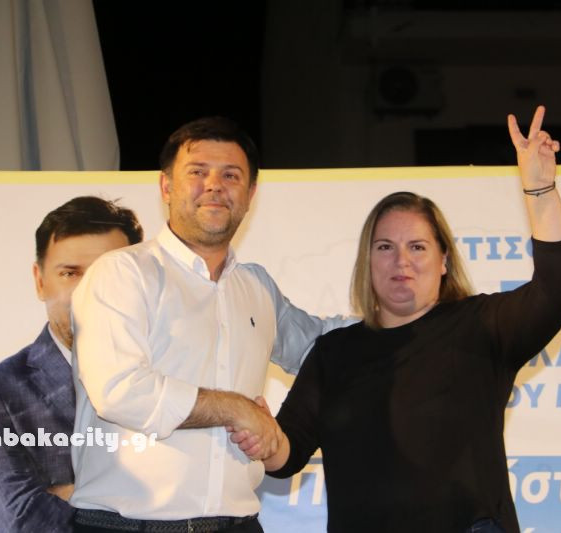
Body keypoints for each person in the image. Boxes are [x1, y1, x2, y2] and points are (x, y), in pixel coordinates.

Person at [235, 106, 561, 532]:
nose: (401, 260)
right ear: (367, 261)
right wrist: (266, 438)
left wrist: (540, 188)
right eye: (385, 247)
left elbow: (560, 287)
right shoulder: (334, 352)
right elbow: (287, 455)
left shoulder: (482, 326)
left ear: (444, 260)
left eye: (417, 247)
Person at [68, 117, 350, 532]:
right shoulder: (123, 273)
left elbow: (322, 345)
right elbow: (120, 391)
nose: (214, 186)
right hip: (127, 525)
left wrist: (411, 318)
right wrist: (236, 409)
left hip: (239, 523)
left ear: (250, 194)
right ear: (166, 186)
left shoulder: (256, 286)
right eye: (198, 172)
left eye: (231, 175)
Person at [0, 196, 144, 533]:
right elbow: (22, 522)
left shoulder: (179, 374)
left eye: (107, 273)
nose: (89, 291)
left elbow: (210, 499)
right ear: (40, 280)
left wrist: (70, 494)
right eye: (70, 273)